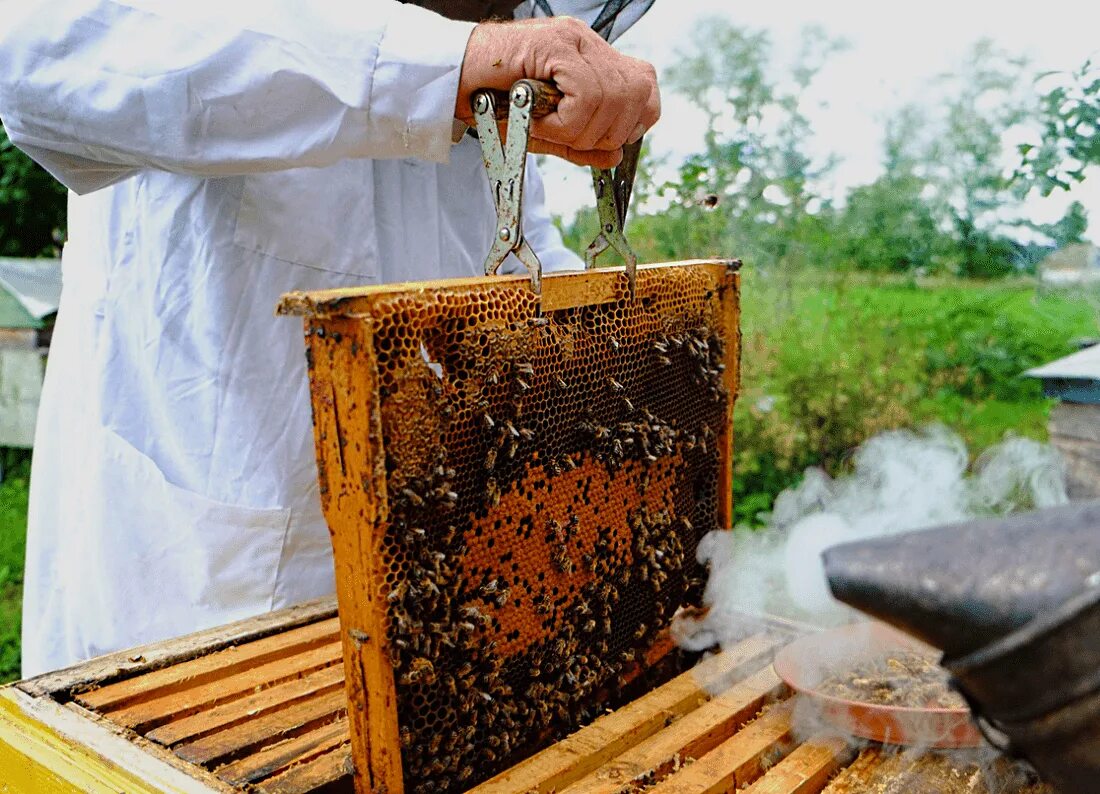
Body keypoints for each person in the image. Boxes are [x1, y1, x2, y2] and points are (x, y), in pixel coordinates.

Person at [0, 0, 660, 676]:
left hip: (437, 607)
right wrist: (433, 64)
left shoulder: (483, 81)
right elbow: (37, 52)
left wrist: (611, 363)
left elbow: (515, 244)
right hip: (194, 605)